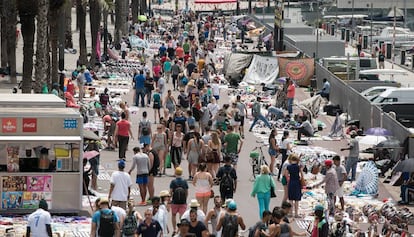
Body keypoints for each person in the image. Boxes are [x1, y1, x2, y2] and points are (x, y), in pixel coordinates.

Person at [170, 167, 189, 234]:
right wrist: (185, 199)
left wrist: (171, 199)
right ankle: (180, 229)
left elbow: (171, 191)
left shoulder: (173, 182)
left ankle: (174, 229)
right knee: (182, 216)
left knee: (173, 215)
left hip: (175, 202)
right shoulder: (184, 181)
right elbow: (186, 192)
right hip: (183, 202)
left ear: (175, 173)